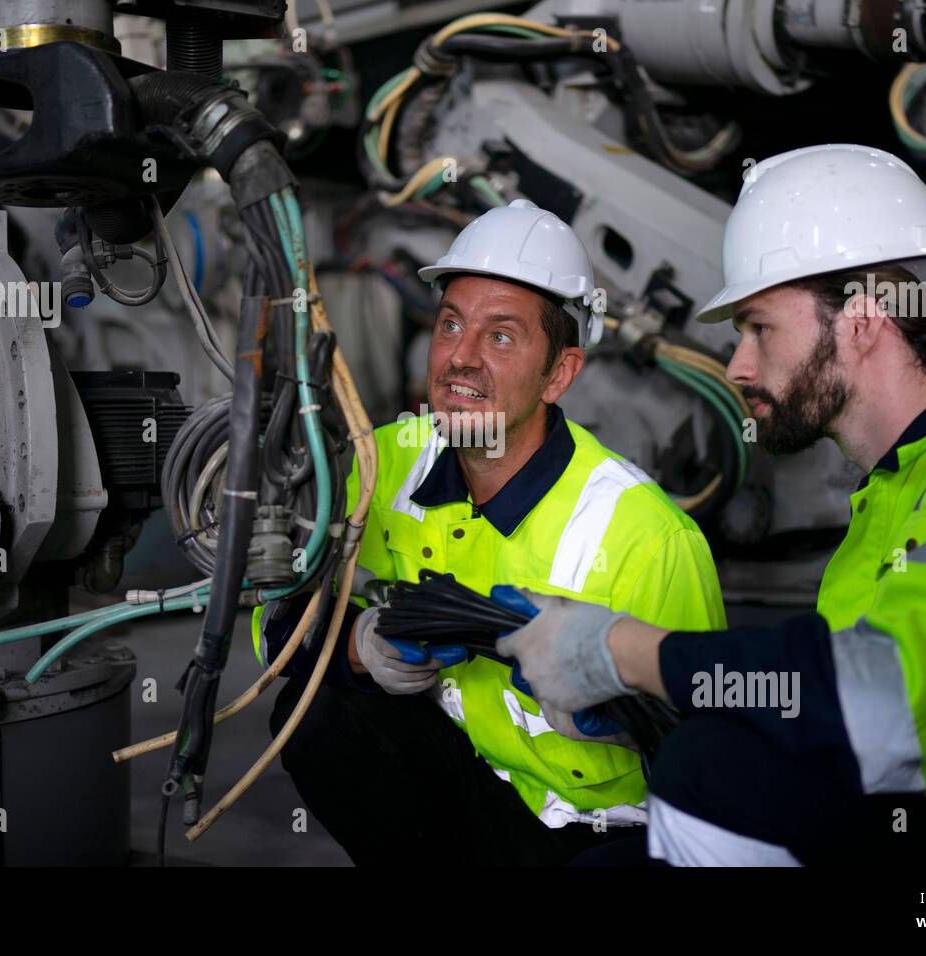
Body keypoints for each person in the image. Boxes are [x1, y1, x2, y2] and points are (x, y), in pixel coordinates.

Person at [497, 144, 926, 865]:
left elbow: (875, 708)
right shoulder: (885, 500)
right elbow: (819, 708)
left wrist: (623, 651)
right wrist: (642, 706)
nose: (737, 367)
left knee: (715, 765)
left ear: (862, 317)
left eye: (758, 327)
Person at [252, 199, 725, 865]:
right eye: (450, 325)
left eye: (501, 336)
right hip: (472, 790)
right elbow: (274, 613)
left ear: (559, 372)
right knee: (320, 718)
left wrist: (612, 706)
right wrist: (361, 648)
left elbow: (710, 755)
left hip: (600, 836)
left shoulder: (644, 535)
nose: (461, 359)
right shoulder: (379, 465)